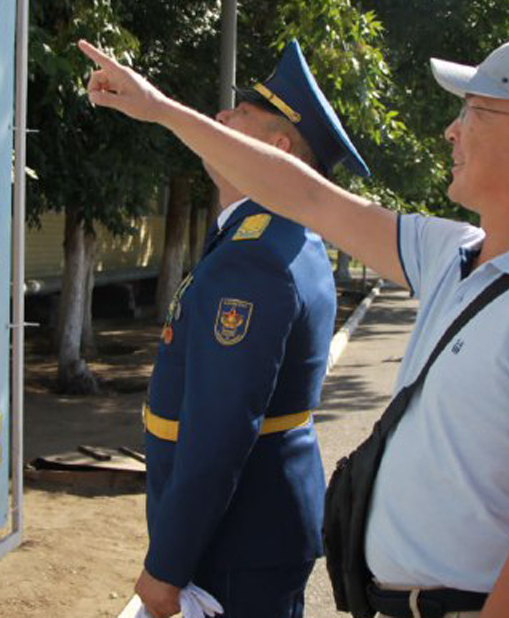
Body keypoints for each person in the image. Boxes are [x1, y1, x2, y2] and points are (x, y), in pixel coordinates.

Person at [80, 29, 509, 618]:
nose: (452, 129)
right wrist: (159, 110)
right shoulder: (456, 254)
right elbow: (306, 196)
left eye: (474, 111)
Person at [118, 41, 362, 617]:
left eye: (241, 113)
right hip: (255, 529)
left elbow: (220, 431)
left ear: (277, 149)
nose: (220, 118)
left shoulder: (253, 257)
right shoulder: (275, 237)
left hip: (233, 542)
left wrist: (167, 566)